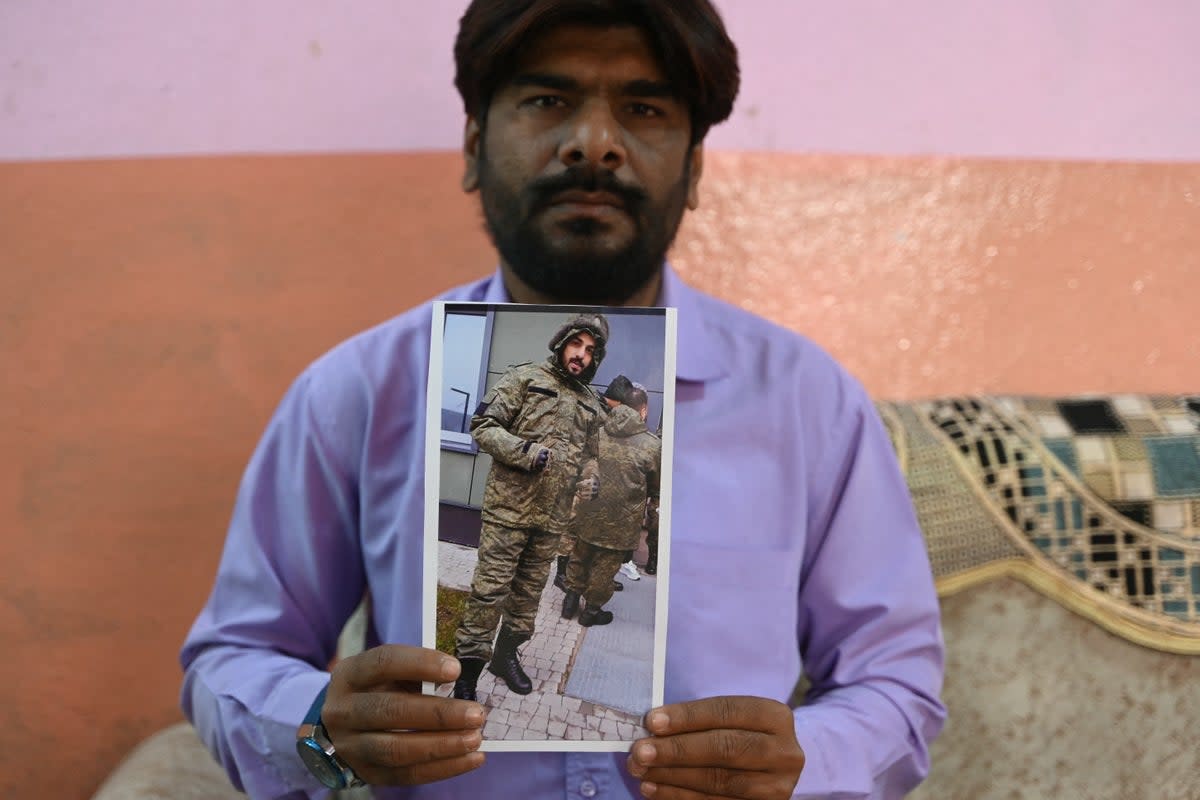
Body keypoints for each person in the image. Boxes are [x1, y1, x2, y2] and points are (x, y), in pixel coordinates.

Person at [180, 1, 946, 798]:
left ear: (695, 170)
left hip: (563, 534)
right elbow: (231, 656)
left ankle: (515, 648)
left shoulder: (807, 404)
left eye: (644, 109)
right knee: (489, 599)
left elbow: (895, 683)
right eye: (547, 101)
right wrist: (316, 726)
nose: (594, 142)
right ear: (474, 146)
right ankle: (488, 660)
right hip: (509, 521)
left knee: (529, 598)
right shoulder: (357, 392)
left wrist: (806, 763)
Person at [452, 313, 608, 700]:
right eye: (577, 344)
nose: (581, 355)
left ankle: (505, 656)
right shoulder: (526, 379)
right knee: (490, 593)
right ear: (562, 343)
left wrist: (591, 478)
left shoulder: (591, 403)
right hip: (509, 512)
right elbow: (483, 425)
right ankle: (467, 674)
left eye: (590, 351)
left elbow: (592, 456)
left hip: (551, 520)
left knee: (527, 599)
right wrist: (525, 451)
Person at [562, 380, 659, 626]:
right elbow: (656, 486)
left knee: (579, 556)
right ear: (643, 410)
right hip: (621, 522)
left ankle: (569, 603)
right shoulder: (652, 445)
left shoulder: (597, 432)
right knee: (605, 569)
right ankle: (590, 613)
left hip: (588, 512)